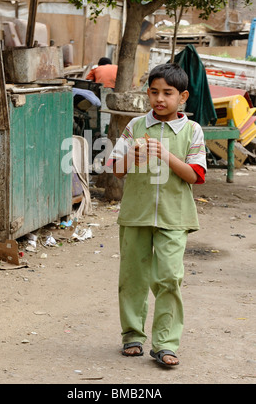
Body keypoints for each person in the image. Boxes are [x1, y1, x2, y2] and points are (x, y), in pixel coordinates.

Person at [106, 63, 206, 367]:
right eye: (154, 92)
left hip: (174, 217)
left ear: (183, 96)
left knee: (170, 278)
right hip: (136, 215)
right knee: (132, 278)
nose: (159, 98)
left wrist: (167, 155)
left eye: (168, 93)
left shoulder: (192, 130)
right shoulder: (135, 126)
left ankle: (165, 343)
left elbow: (195, 175)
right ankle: (132, 336)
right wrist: (130, 156)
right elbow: (115, 170)